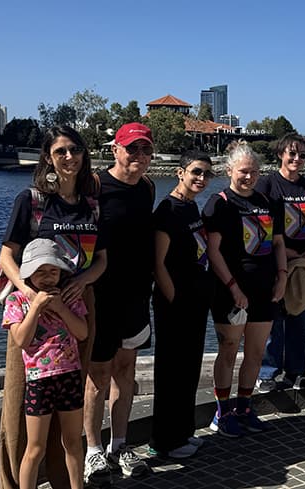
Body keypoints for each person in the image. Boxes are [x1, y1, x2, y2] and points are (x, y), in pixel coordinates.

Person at [0, 125, 106, 489]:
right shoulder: (31, 200)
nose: (69, 157)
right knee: (18, 408)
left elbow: (101, 260)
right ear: (48, 157)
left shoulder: (91, 204)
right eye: (60, 151)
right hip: (33, 311)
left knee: (70, 408)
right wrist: (27, 293)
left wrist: (82, 281)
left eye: (75, 150)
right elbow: (7, 255)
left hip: (76, 307)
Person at [83, 122, 156, 483]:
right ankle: (93, 451)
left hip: (137, 295)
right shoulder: (94, 187)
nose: (139, 157)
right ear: (115, 150)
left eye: (146, 150)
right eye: (132, 149)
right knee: (97, 375)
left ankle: (120, 444)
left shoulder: (147, 188)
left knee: (126, 371)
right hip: (100, 296)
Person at [202, 141, 287, 437]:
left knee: (254, 353)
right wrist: (233, 287)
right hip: (231, 292)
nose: (248, 177)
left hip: (264, 289)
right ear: (229, 171)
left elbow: (277, 243)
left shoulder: (268, 202)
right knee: (228, 350)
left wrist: (283, 275)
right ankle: (222, 413)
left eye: (253, 171)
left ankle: (245, 408)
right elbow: (213, 251)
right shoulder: (219, 202)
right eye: (242, 171)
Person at [3, 239, 88, 489]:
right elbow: (21, 339)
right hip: (39, 380)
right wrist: (36, 308)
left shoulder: (70, 298)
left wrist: (61, 308)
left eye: (53, 271)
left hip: (69, 374)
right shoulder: (17, 301)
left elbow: (82, 333)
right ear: (28, 273)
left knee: (73, 441)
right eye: (40, 271)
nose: (48, 277)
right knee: (35, 447)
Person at [149, 150, 214, 458]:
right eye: (196, 172)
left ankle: (184, 432)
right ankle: (165, 440)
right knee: (171, 371)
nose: (201, 178)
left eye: (206, 174)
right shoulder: (168, 211)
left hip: (196, 299)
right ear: (180, 172)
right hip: (175, 304)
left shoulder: (190, 207)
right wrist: (173, 299)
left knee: (189, 368)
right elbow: (158, 264)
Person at [255, 133, 305, 392]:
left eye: (303, 155)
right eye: (292, 153)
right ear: (280, 155)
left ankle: (297, 371)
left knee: (300, 315)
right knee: (273, 318)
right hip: (275, 261)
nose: (297, 159)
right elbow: (260, 224)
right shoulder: (266, 185)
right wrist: (284, 253)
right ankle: (267, 372)